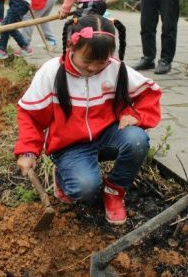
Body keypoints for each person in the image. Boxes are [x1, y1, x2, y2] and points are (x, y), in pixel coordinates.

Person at [15, 14, 162, 225]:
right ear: (71, 46)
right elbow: (29, 114)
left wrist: (136, 116)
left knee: (137, 140)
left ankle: (114, 190)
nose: (93, 68)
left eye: (101, 62)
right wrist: (28, 150)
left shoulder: (115, 69)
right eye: (87, 60)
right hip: (70, 146)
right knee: (85, 190)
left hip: (107, 135)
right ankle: (65, 175)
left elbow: (150, 92)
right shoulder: (51, 73)